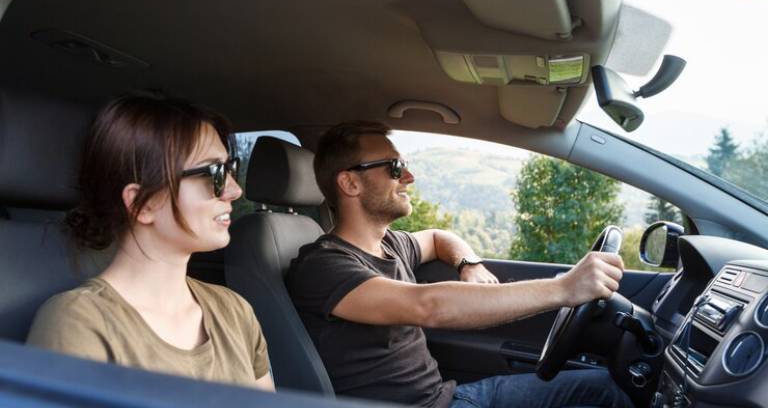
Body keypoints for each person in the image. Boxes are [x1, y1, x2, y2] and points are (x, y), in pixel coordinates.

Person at [287, 121, 632, 407]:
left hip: (448, 397)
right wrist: (564, 288)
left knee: (608, 387)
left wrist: (469, 263)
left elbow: (438, 237)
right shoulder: (324, 265)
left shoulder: (391, 243)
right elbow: (428, 306)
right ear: (350, 182)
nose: (408, 176)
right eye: (394, 167)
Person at [27, 94, 274, 391]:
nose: (234, 191)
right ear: (143, 204)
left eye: (230, 169)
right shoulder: (77, 323)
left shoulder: (234, 310)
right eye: (215, 174)